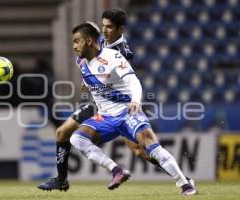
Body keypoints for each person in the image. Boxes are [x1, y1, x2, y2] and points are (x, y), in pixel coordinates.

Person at [38, 9, 194, 192]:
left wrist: (135, 100)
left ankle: (183, 179)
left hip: (119, 102)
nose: (104, 31)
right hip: (100, 105)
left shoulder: (120, 52)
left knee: (139, 150)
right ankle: (62, 180)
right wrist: (88, 81)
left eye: (109, 27)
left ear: (120, 30)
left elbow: (125, 79)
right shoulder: (92, 47)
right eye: (103, 26)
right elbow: (91, 50)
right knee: (63, 133)